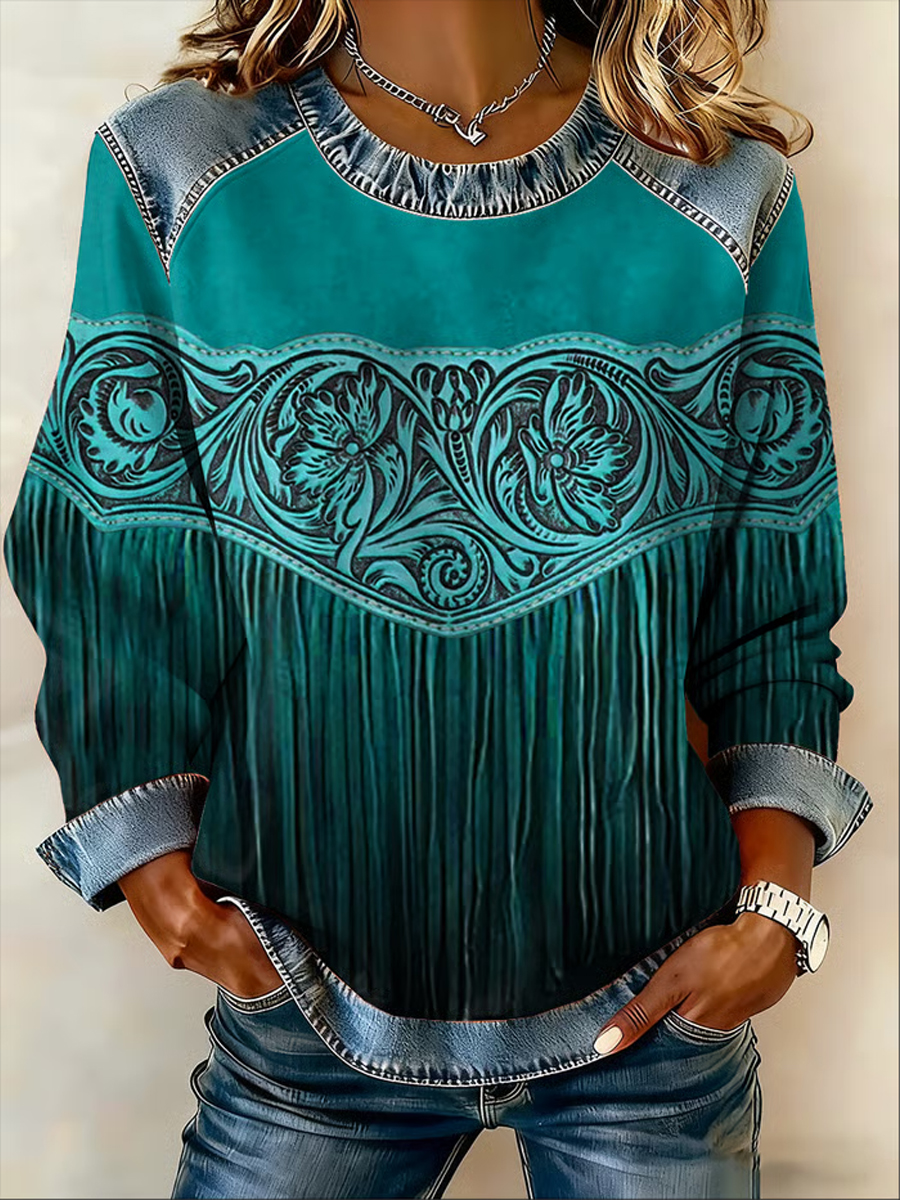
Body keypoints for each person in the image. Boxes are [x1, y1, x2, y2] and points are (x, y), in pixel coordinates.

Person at [2, 0, 876, 1197]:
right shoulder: (179, 173)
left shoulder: (719, 193)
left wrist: (775, 916)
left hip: (657, 1020)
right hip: (304, 1013)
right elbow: (113, 554)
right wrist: (152, 866)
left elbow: (770, 606)